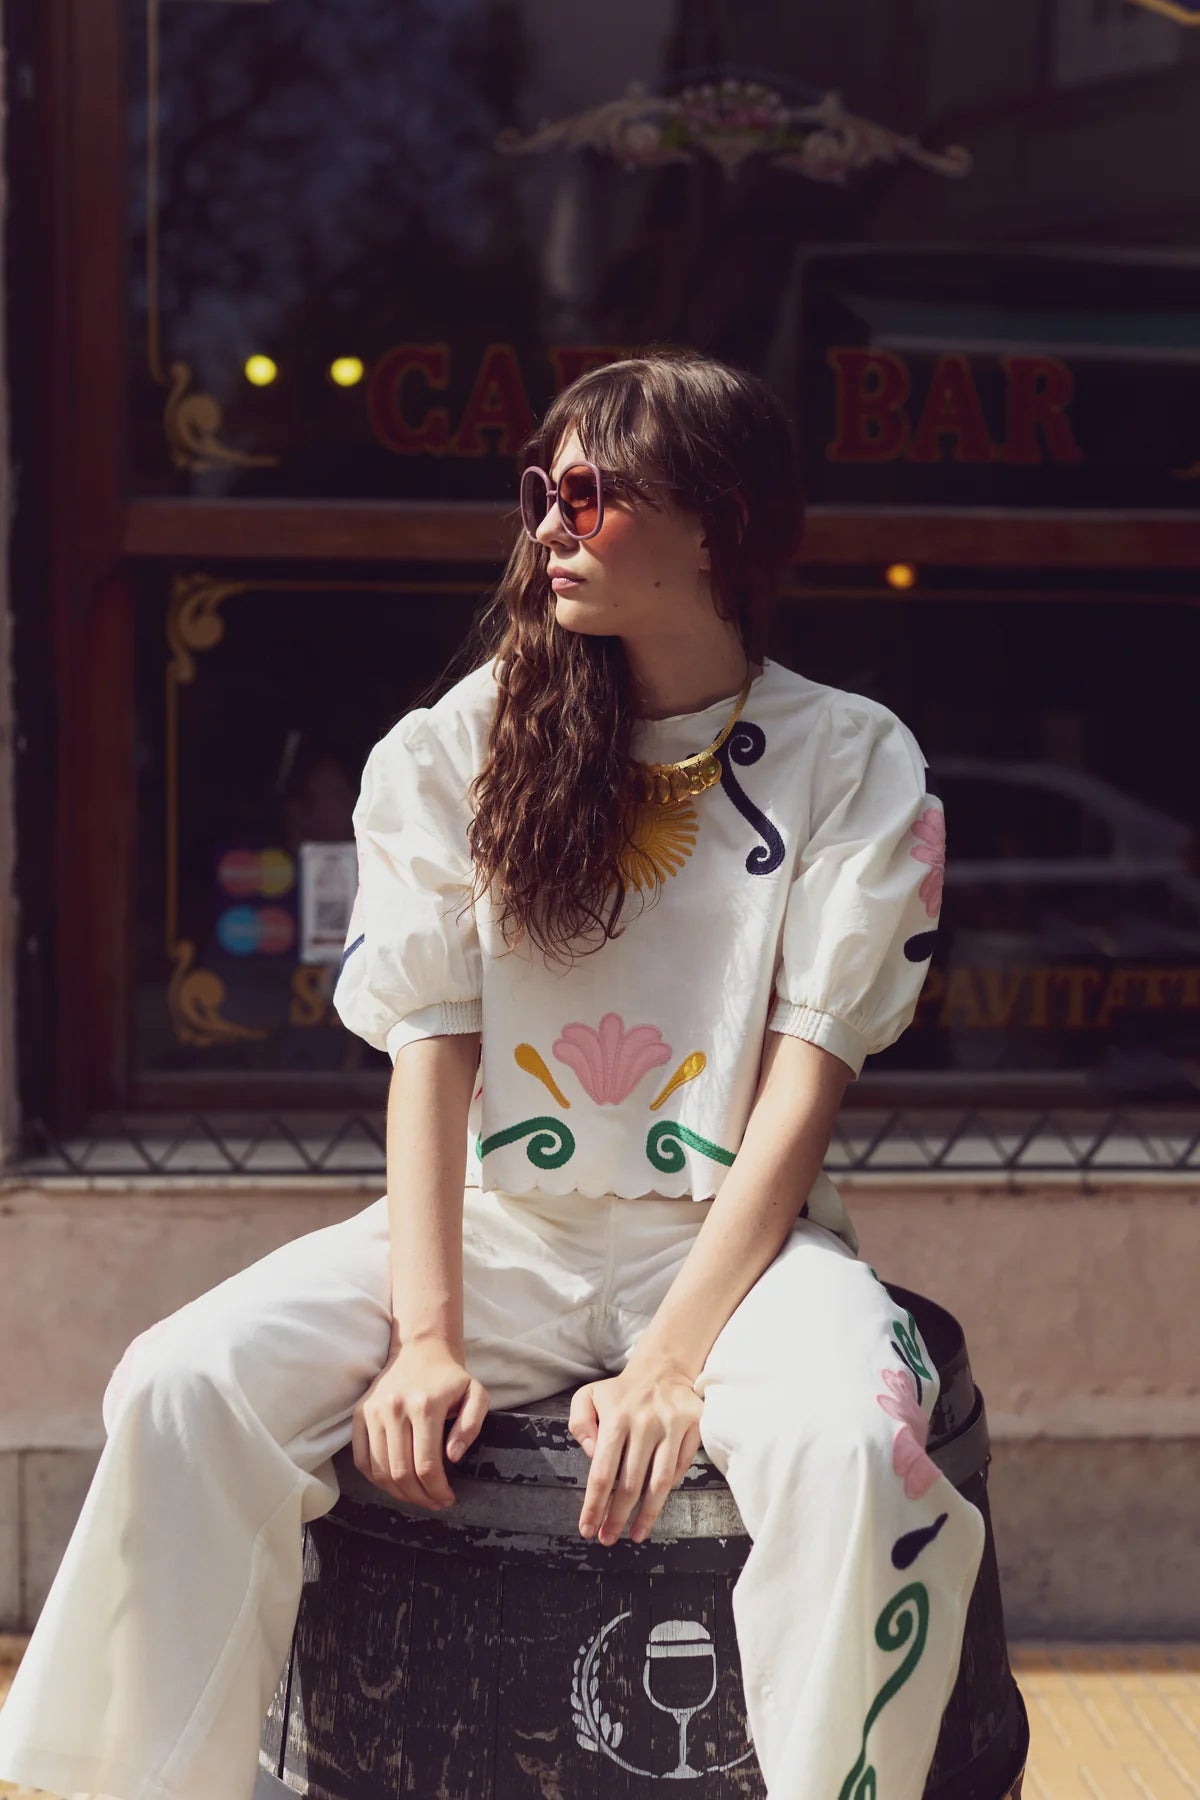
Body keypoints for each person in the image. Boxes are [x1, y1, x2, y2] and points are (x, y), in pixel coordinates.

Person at [0, 347, 984, 1800]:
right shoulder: (457, 750)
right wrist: (426, 1335)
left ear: (712, 520)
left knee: (853, 1446)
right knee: (182, 1382)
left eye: (588, 495)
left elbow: (805, 1078)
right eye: (541, 493)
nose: (548, 528)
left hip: (740, 1257)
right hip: (497, 1231)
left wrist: (670, 1358)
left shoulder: (853, 760)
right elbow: (430, 1053)